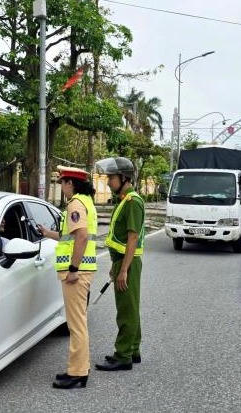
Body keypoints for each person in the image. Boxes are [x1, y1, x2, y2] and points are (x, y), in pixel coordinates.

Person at [36, 166, 98, 389]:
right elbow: (69, 237)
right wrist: (47, 233)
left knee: (76, 324)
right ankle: (81, 367)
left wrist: (73, 269)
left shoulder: (75, 204)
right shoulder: (86, 201)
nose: (60, 186)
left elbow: (81, 237)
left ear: (71, 183)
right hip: (84, 270)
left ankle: (77, 373)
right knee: (78, 322)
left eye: (62, 182)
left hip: (77, 273)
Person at [93, 157, 145, 371]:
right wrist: (116, 266)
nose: (108, 183)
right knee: (130, 307)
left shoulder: (132, 202)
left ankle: (122, 356)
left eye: (111, 178)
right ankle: (133, 350)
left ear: (124, 178)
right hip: (122, 261)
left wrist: (123, 269)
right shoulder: (124, 200)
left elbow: (133, 237)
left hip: (128, 263)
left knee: (126, 310)